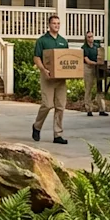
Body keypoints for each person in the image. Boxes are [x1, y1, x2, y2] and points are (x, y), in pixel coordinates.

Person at [32, 14, 70, 144]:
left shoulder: (63, 41)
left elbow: (66, 59)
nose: (57, 26)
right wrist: (43, 70)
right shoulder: (42, 40)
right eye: (54, 23)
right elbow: (36, 58)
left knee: (60, 106)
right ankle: (37, 126)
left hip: (60, 79)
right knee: (47, 105)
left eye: (58, 23)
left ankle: (57, 134)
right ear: (49, 25)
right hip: (47, 77)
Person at [81, 31, 107, 117]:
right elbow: (87, 60)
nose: (90, 38)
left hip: (98, 68)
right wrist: (96, 63)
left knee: (99, 88)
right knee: (88, 88)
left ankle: (102, 109)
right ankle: (89, 109)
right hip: (88, 67)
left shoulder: (97, 46)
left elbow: (101, 54)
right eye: (88, 37)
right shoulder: (84, 48)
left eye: (91, 36)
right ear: (86, 38)